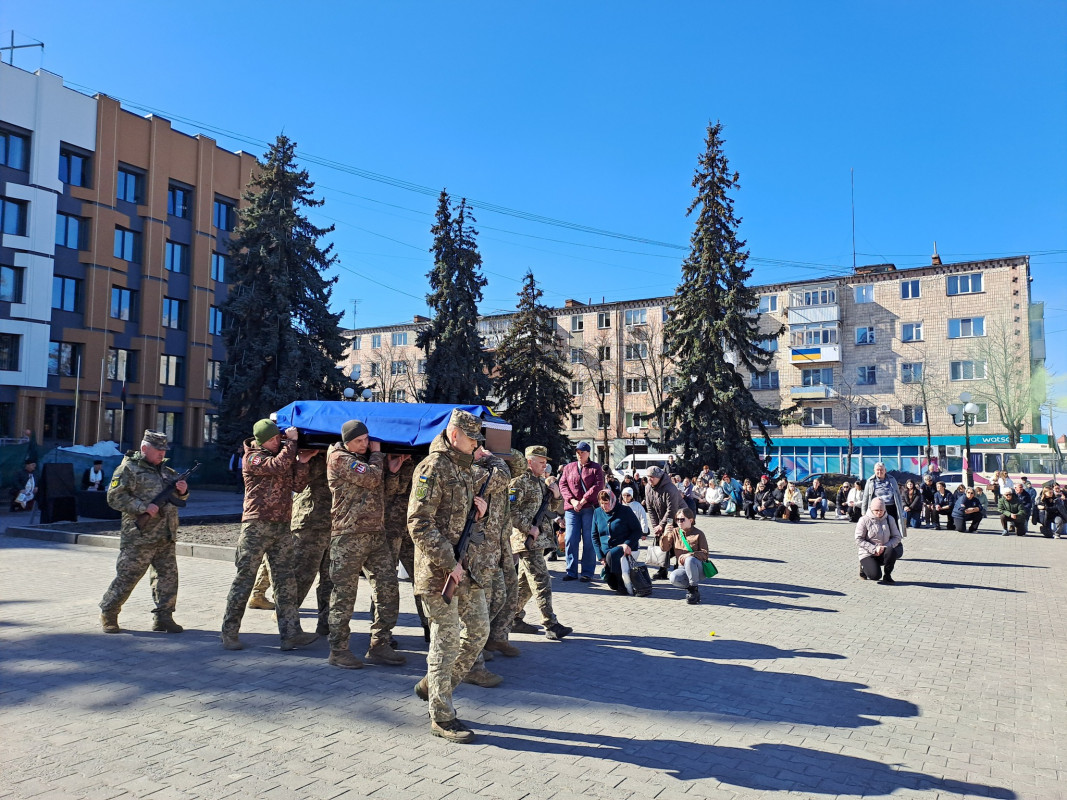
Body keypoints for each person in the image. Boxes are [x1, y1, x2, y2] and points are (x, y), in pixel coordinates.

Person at [408, 409, 498, 743]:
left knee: (479, 631)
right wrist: (449, 562)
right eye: (473, 439)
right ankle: (442, 716)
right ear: (455, 434)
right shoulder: (432, 467)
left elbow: (462, 521)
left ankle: (435, 684)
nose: (477, 446)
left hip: (465, 568)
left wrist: (481, 511)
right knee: (444, 643)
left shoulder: (462, 468)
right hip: (438, 573)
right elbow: (418, 522)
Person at [220, 419, 318, 652]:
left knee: (286, 581)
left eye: (279, 438)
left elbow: (297, 485)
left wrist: (302, 463)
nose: (279, 441)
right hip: (256, 526)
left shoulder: (282, 454)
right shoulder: (253, 457)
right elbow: (277, 466)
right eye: (275, 439)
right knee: (244, 579)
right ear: (262, 440)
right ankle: (229, 632)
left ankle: (291, 634)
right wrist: (292, 444)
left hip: (281, 526)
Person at [324, 419, 405, 669]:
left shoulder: (364, 459)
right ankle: (338, 650)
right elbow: (370, 478)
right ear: (347, 441)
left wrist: (391, 470)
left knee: (388, 588)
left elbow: (383, 489)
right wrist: (379, 455)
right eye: (359, 441)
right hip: (348, 536)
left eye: (367, 440)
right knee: (344, 595)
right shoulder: (339, 458)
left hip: (375, 535)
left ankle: (380, 643)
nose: (365, 444)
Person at [98, 430, 188, 634]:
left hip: (165, 535)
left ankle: (164, 617)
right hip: (139, 536)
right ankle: (109, 612)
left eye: (164, 450)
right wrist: (142, 507)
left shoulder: (167, 471)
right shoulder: (128, 469)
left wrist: (183, 491)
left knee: (168, 578)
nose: (162, 454)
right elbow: (114, 497)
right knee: (127, 577)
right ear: (145, 448)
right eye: (158, 450)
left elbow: (179, 499)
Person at [459, 448, 513, 687]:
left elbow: (516, 467)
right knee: (474, 614)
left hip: (492, 552)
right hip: (475, 554)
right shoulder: (472, 471)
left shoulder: (487, 468)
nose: (481, 449)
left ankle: (473, 652)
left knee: (498, 598)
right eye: (475, 444)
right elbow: (502, 476)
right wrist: (493, 457)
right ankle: (471, 664)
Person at [509, 446, 572, 641]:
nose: (545, 465)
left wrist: (555, 495)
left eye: (546, 461)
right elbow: (509, 510)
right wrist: (528, 528)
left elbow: (551, 510)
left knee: (525, 585)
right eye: (541, 461)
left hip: (540, 540)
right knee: (542, 581)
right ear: (529, 462)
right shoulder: (519, 482)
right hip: (527, 542)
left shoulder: (541, 483)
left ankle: (512, 617)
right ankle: (550, 624)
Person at [384, 452, 428, 642]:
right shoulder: (385, 458)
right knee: (386, 584)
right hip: (390, 528)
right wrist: (394, 472)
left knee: (422, 579)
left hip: (414, 530)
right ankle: (382, 634)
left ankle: (430, 625)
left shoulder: (424, 460)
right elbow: (386, 490)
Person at [290, 451, 334, 637]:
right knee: (302, 576)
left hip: (334, 523)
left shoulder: (343, 453)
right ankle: (288, 625)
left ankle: (327, 623)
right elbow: (298, 483)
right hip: (310, 522)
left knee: (331, 579)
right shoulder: (309, 454)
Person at [558, 442, 606, 583]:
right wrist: (572, 501)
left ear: (588, 453)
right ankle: (571, 571)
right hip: (572, 509)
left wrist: (583, 500)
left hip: (589, 508)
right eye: (578, 452)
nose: (580, 455)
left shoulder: (595, 468)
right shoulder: (569, 467)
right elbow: (563, 484)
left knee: (589, 540)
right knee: (571, 539)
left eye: (582, 452)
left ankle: (587, 572)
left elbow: (598, 486)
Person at [591, 489, 643, 595]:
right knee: (611, 583)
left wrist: (627, 544)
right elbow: (594, 536)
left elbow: (637, 531)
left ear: (612, 501)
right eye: (601, 503)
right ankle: (616, 581)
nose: (604, 506)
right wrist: (600, 556)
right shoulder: (597, 512)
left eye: (606, 503)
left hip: (623, 546)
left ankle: (622, 586)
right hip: (606, 549)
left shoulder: (625, 511)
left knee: (612, 555)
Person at [659, 506, 710, 604]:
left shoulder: (699, 533)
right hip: (682, 567)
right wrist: (665, 534)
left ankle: (693, 590)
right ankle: (690, 586)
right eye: (677, 519)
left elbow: (705, 554)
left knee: (690, 560)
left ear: (691, 520)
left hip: (697, 567)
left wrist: (690, 555)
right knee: (673, 577)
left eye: (682, 519)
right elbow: (664, 548)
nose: (679, 522)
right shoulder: (675, 532)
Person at [644, 465, 684, 579]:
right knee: (662, 542)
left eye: (652, 477)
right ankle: (662, 570)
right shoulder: (648, 488)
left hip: (679, 518)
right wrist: (656, 526)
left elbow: (672, 510)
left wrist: (662, 525)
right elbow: (650, 508)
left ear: (659, 477)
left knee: (677, 543)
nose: (650, 479)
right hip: (663, 518)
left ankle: (678, 568)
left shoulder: (670, 488)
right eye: (648, 477)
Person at [855, 497, 903, 585]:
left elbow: (897, 537)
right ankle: (863, 567)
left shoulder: (890, 519)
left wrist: (885, 546)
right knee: (875, 576)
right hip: (867, 553)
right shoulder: (864, 520)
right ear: (871, 509)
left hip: (884, 549)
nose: (879, 512)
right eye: (876, 510)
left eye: (881, 510)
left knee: (891, 551)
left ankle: (887, 575)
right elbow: (858, 539)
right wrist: (874, 548)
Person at [861, 463, 907, 536]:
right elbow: (865, 497)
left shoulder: (892, 479)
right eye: (877, 470)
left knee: (893, 528)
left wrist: (901, 509)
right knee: (879, 529)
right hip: (878, 509)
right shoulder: (870, 481)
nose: (879, 472)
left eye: (881, 470)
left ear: (885, 470)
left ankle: (895, 543)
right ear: (874, 471)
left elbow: (898, 495)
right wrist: (863, 512)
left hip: (891, 507)